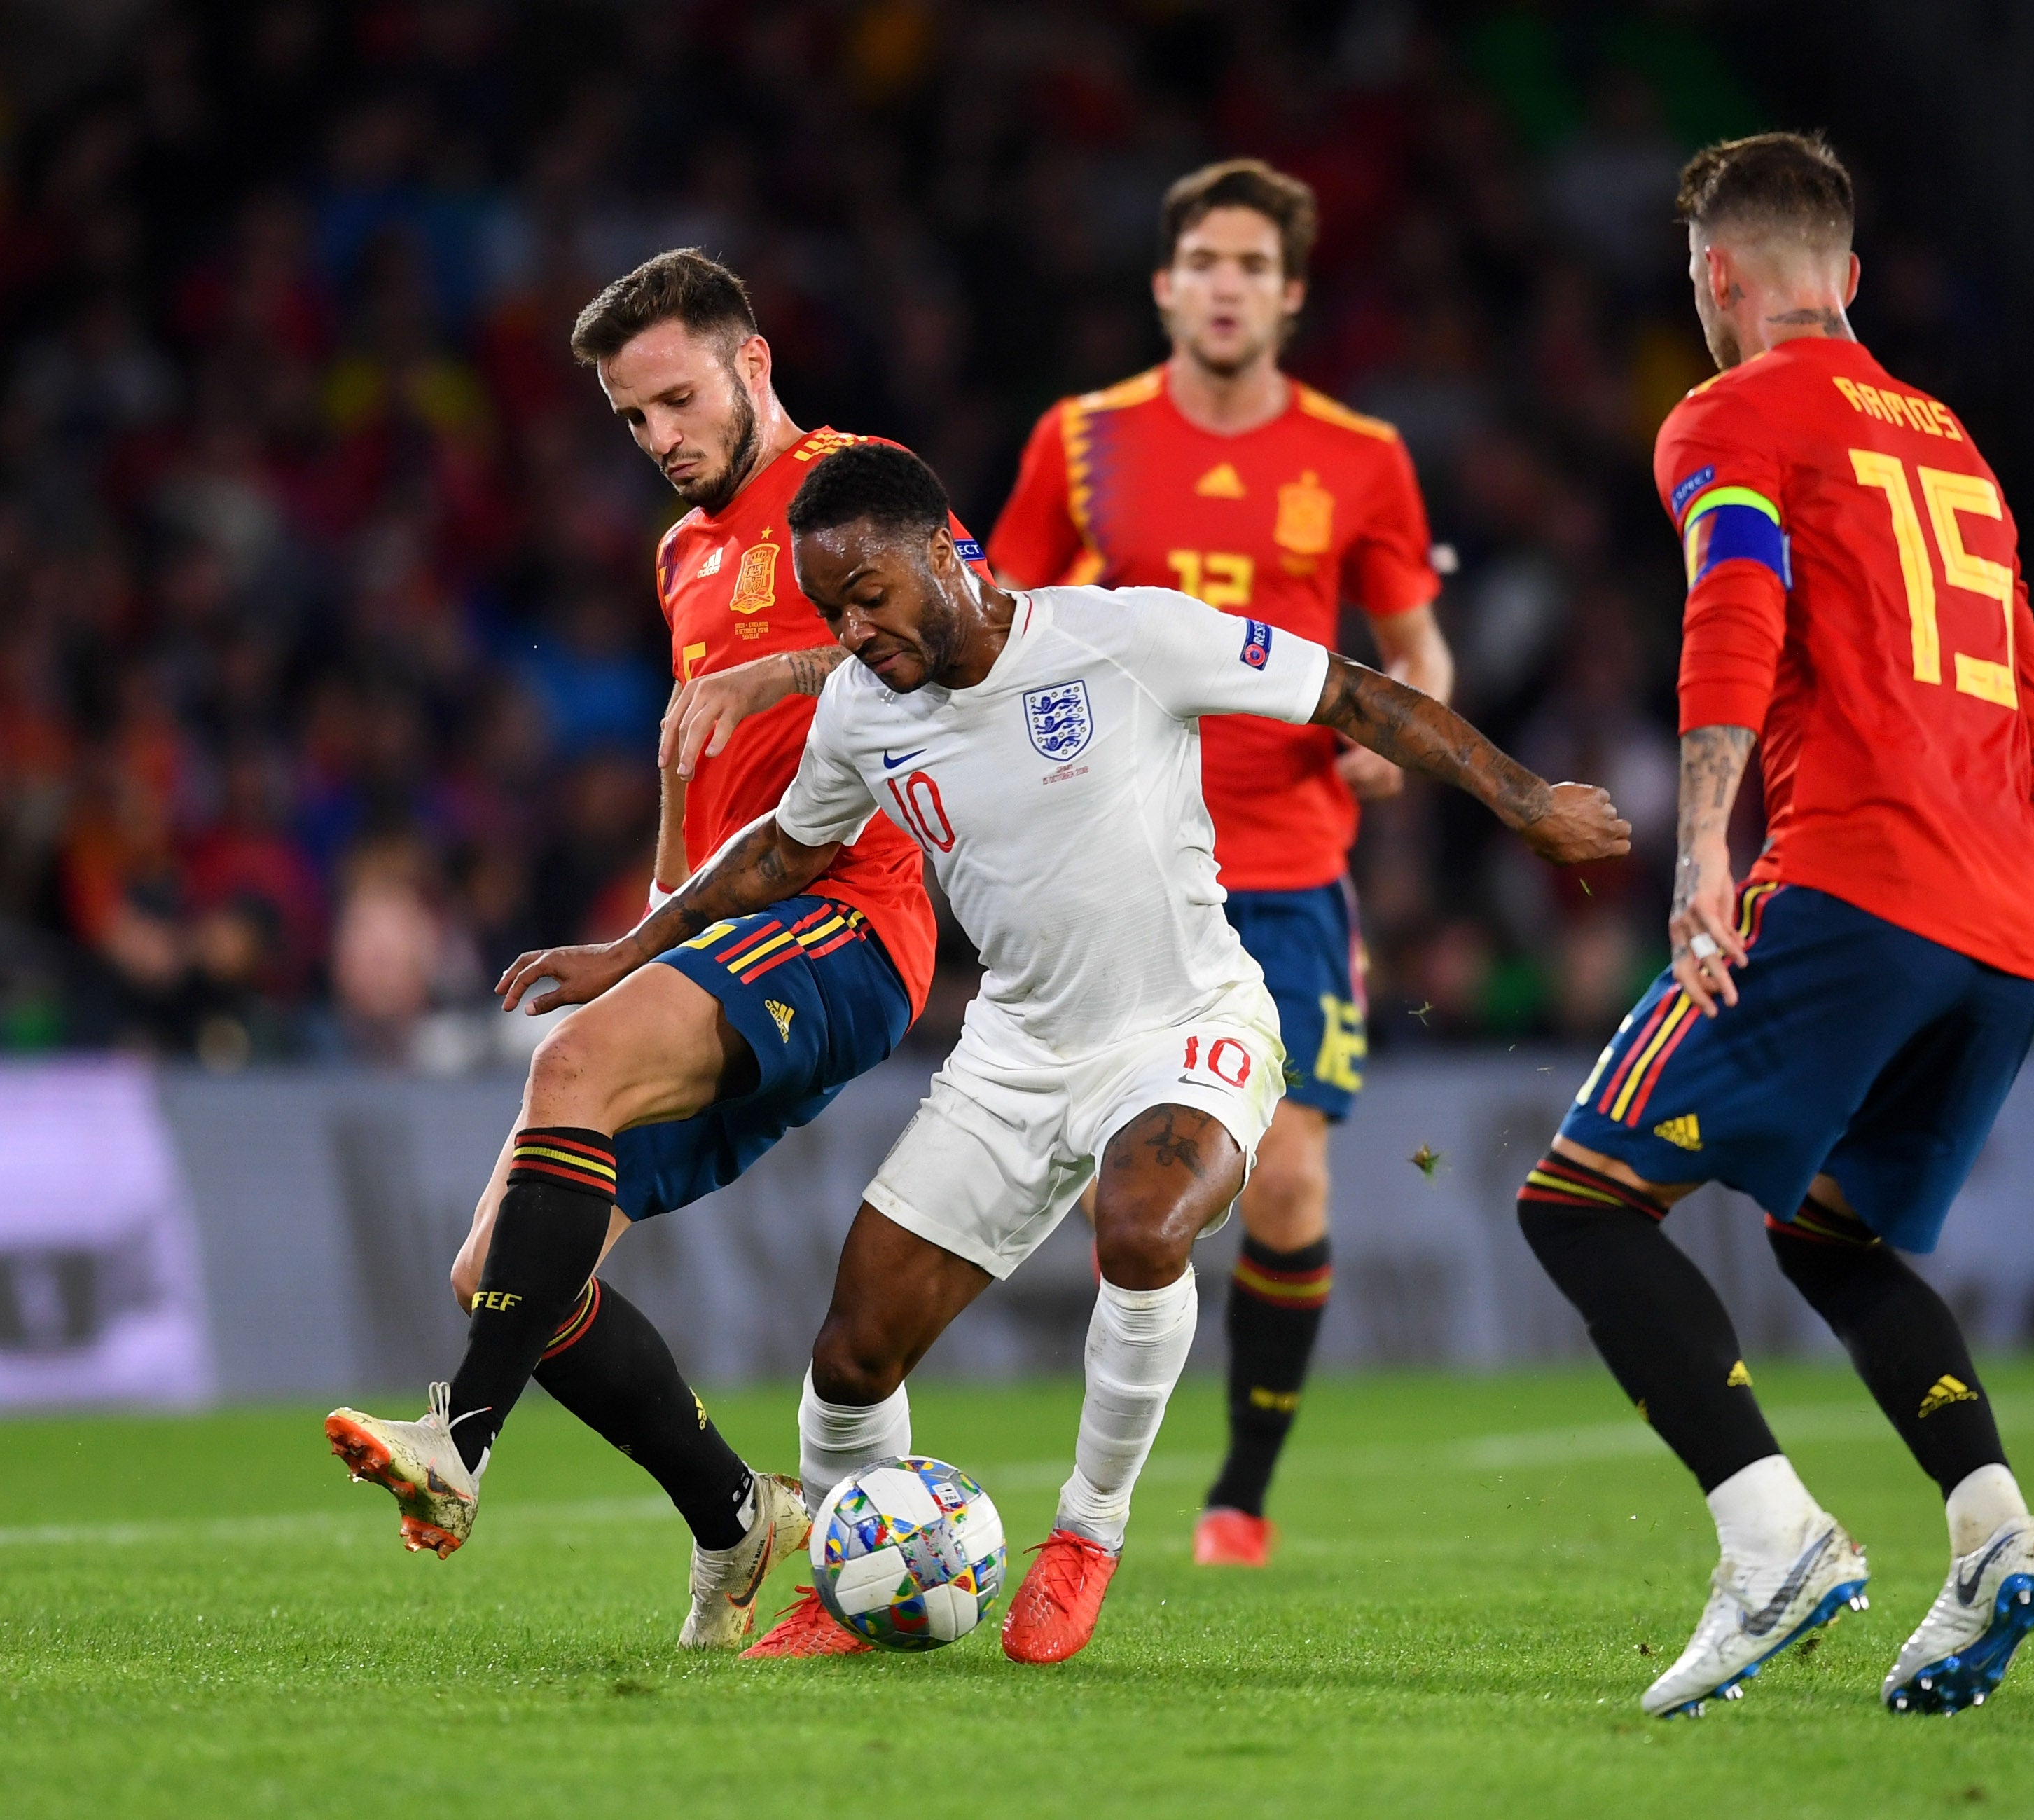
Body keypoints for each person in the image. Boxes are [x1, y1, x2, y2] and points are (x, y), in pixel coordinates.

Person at [497, 441, 1630, 1665]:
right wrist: (627, 952)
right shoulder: (863, 711)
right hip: (1018, 1049)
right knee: (851, 1348)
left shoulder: (1121, 636)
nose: (854, 630)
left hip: (1188, 1022)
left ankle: (1086, 1534)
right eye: (831, 611)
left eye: (868, 595)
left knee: (1141, 1226)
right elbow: (783, 852)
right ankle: (851, 1574)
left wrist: (1528, 804)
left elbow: (1350, 691)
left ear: (941, 549)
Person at [321, 250, 985, 1653]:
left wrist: (782, 671)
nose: (660, 441)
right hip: (729, 929)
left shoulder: (862, 477)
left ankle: (457, 1441)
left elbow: (967, 633)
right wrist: (637, 935)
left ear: (750, 365)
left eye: (677, 401)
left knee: (568, 1068)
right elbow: (701, 787)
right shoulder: (682, 553)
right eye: (632, 421)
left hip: (855, 914)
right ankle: (737, 1516)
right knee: (503, 1270)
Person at [1513, 133, 2034, 1718]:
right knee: (1830, 1228)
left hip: (1857, 879)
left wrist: (1705, 849)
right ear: (1854, 275)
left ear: (1719, 278)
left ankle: (1773, 1538)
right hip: (2011, 921)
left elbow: (1734, 604)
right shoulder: (1954, 445)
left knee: (1580, 1200)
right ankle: (1990, 1529)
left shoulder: (1727, 411)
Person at [990, 158, 1454, 1568]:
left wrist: (1400, 730)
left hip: (1290, 862)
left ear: (1292, 294)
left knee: (1290, 1185)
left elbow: (1418, 645)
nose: (1230, 284)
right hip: (1118, 868)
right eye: (1207, 260)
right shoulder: (1080, 440)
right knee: (1123, 1188)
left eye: (1257, 264)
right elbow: (1002, 625)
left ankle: (1240, 1492)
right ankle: (1093, 1471)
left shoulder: (1362, 456)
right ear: (1165, 285)